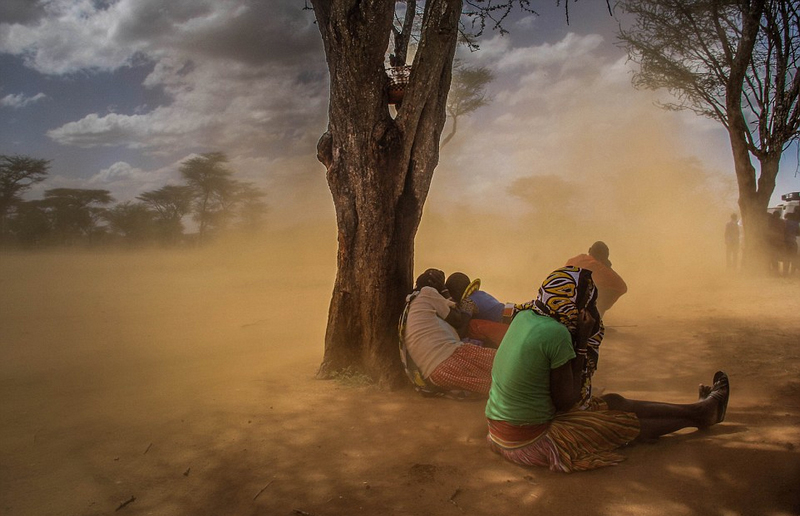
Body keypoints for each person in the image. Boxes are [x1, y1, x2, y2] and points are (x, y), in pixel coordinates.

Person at [484, 266, 730, 473]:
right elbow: (567, 402)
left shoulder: (526, 316)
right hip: (529, 440)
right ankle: (701, 415)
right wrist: (581, 343)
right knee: (618, 424)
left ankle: (697, 409)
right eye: (587, 301)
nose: (590, 310)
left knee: (613, 401)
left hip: (501, 430)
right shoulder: (556, 333)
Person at [399, 268, 496, 396]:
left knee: (492, 385)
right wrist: (445, 291)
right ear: (435, 285)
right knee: (505, 362)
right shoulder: (427, 292)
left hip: (436, 375)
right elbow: (458, 320)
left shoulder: (413, 303)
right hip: (451, 357)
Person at [445, 272, 515, 348]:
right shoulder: (481, 294)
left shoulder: (468, 302)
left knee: (472, 325)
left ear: (457, 292)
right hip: (510, 312)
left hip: (505, 322)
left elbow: (463, 324)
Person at [565, 241, 627, 316]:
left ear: (590, 250)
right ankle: (594, 317)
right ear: (603, 257)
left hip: (558, 301)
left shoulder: (575, 260)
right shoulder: (597, 266)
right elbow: (622, 287)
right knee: (606, 290)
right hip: (576, 306)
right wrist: (608, 267)